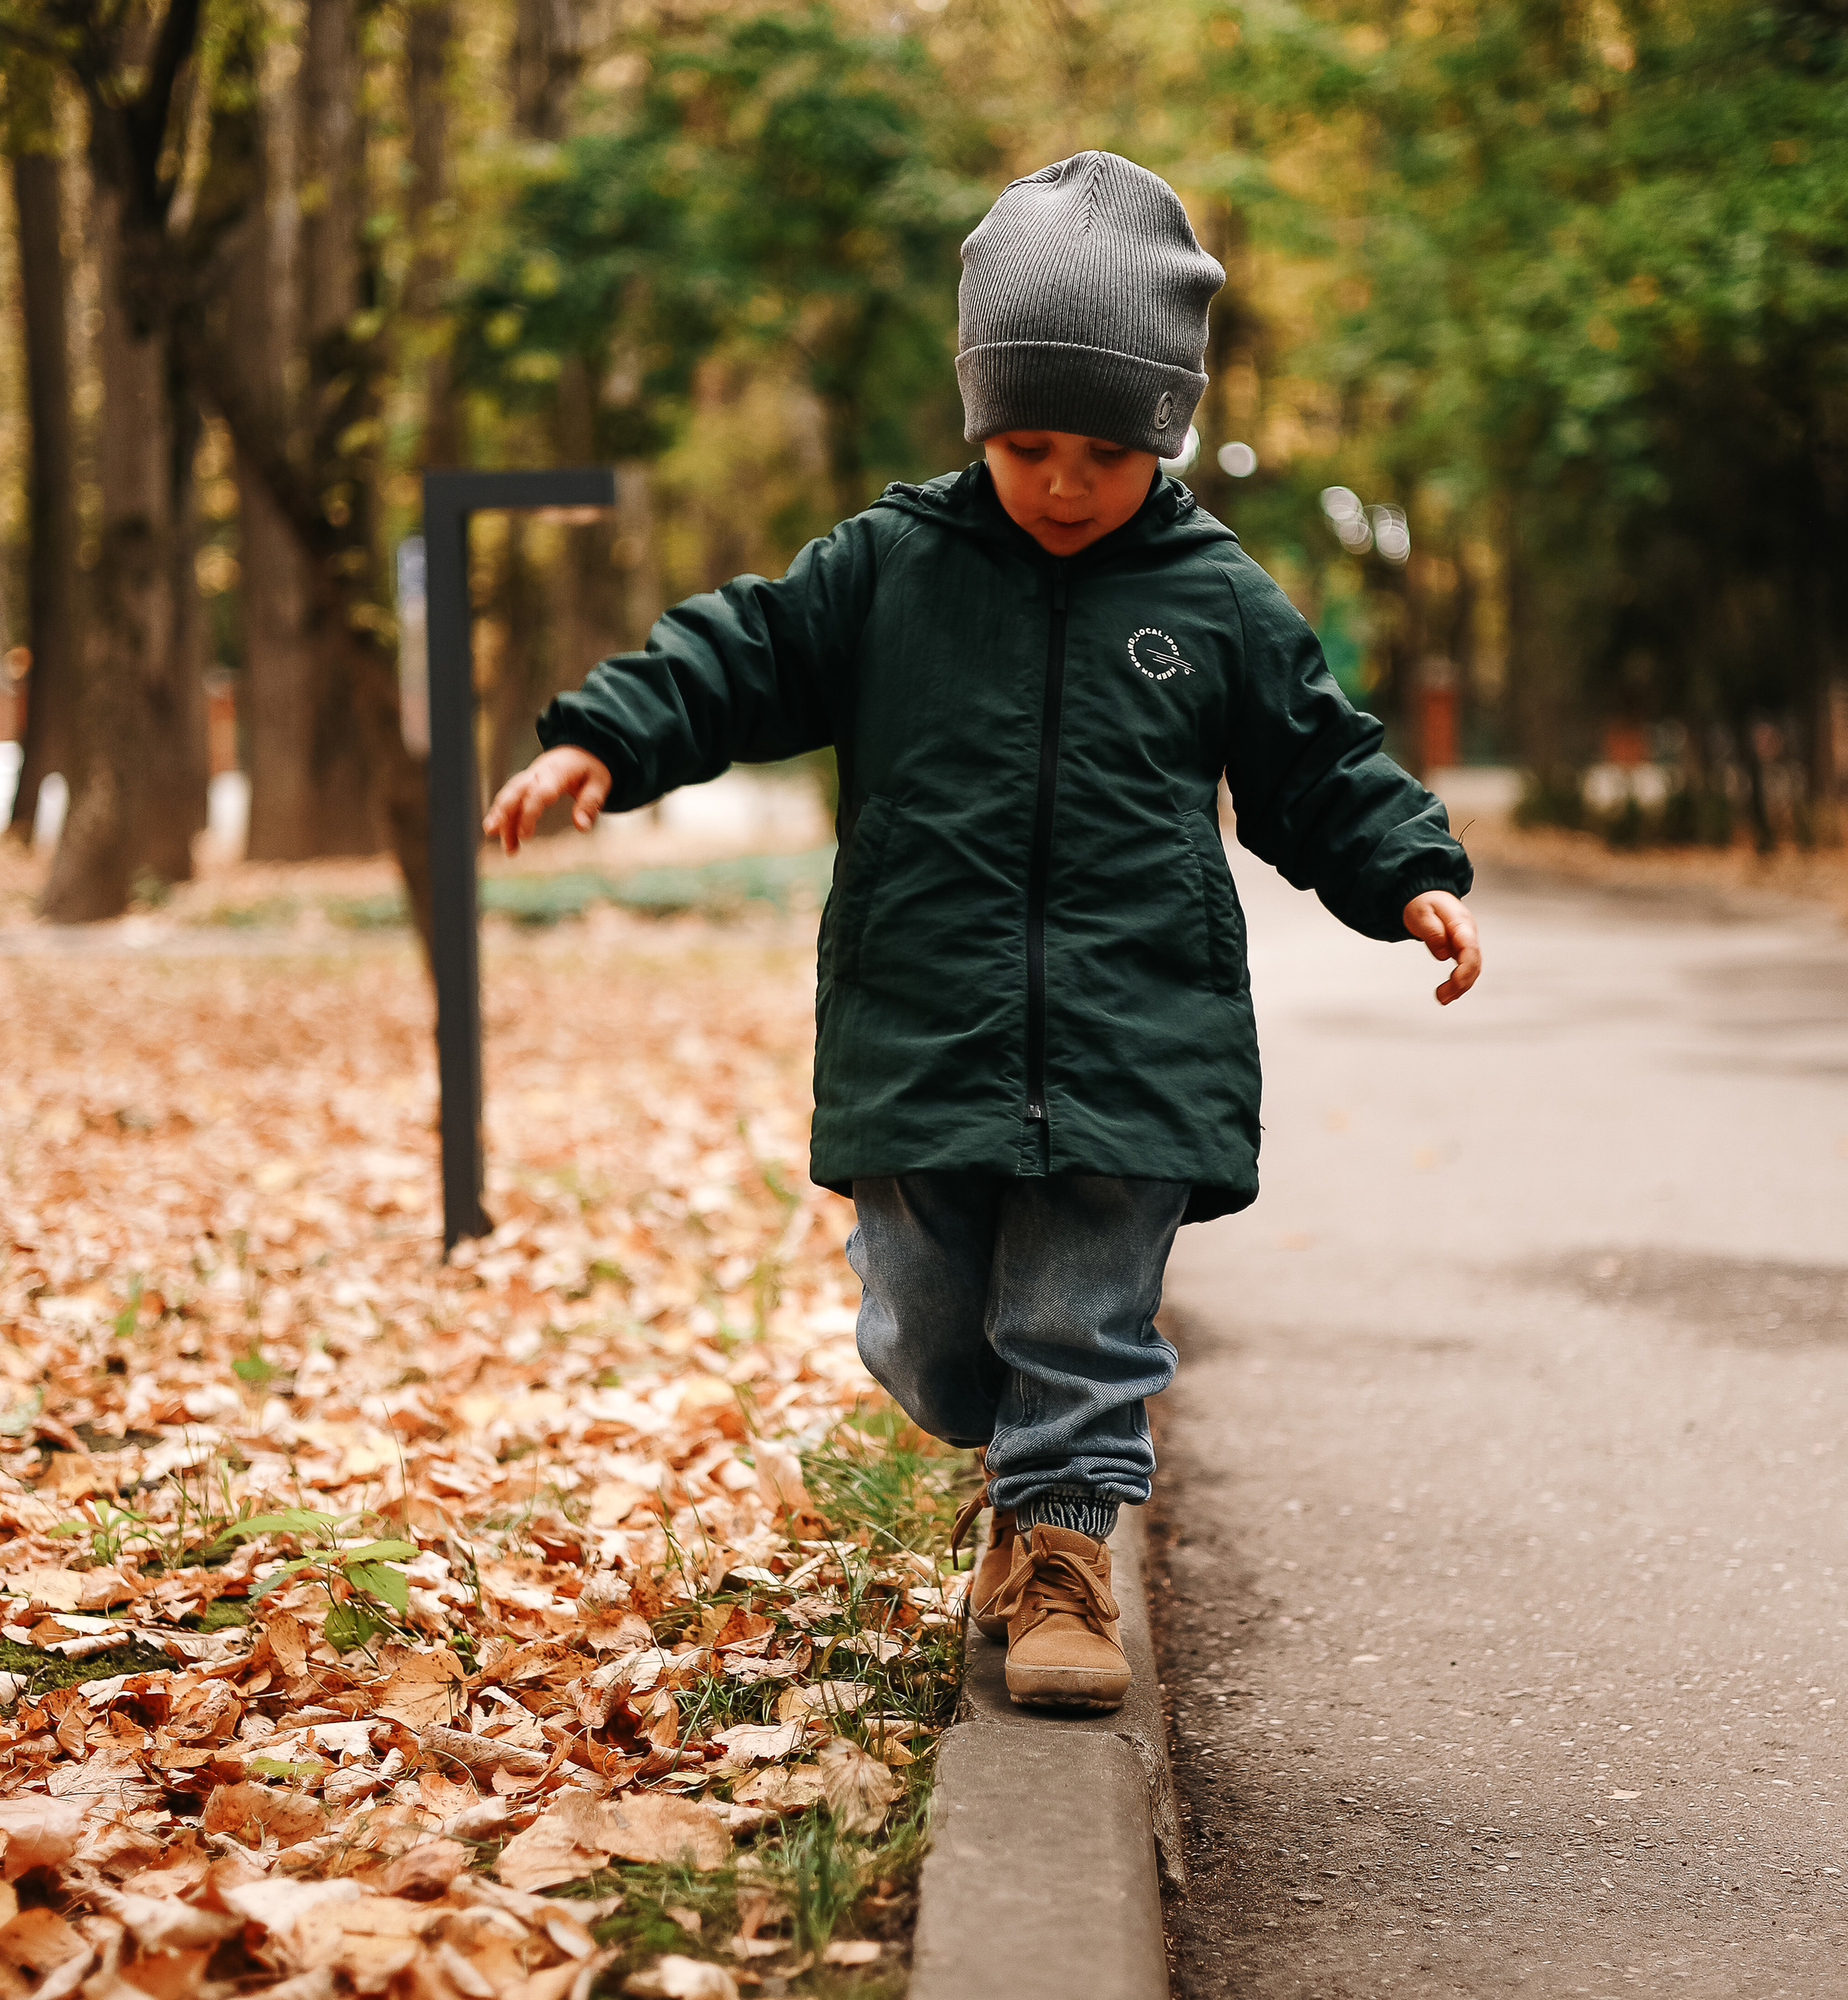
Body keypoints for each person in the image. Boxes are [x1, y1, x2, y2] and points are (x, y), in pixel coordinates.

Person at [483, 150, 1480, 1716]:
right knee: (934, 1337)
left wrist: (1407, 874)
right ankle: (1009, 1464)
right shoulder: (889, 569)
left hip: (1135, 1028)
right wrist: (606, 737)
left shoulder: (1213, 599)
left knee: (1073, 1321)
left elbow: (1315, 759)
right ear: (975, 421)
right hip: (923, 1016)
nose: (1065, 483)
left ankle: (1063, 1544)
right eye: (1026, 445)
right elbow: (738, 653)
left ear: (1164, 429)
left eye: (1102, 450)